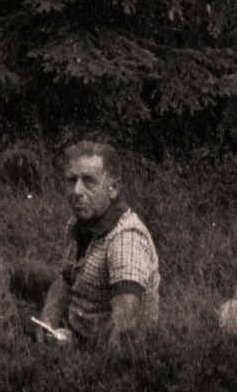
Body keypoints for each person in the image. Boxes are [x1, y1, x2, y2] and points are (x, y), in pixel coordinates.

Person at [34, 140, 160, 348]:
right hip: (77, 319)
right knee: (18, 273)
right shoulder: (78, 223)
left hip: (97, 343)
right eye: (71, 180)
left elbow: (124, 328)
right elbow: (65, 280)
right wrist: (47, 321)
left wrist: (74, 345)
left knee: (5, 320)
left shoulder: (126, 238)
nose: (77, 191)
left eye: (89, 181)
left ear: (113, 189)